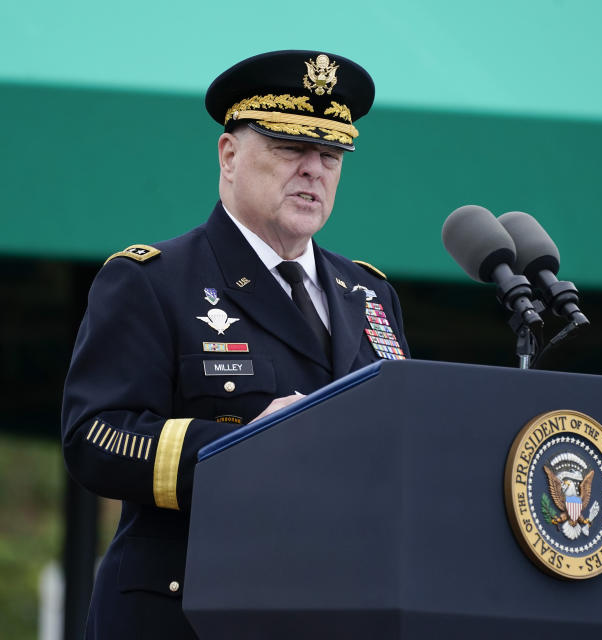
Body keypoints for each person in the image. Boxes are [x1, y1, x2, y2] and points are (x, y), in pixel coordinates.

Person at [61, 49, 410, 639]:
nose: (313, 170)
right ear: (229, 154)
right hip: (187, 613)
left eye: (330, 154)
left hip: (335, 609)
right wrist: (242, 449)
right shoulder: (153, 279)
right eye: (289, 147)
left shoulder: (369, 294)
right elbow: (94, 436)